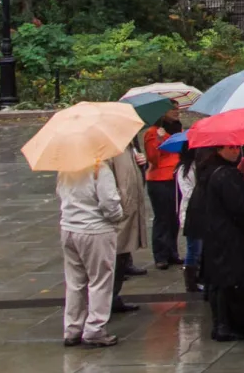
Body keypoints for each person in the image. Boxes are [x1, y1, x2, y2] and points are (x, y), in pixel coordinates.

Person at [186, 146, 244, 342]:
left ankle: (220, 324)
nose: (236, 151)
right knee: (228, 282)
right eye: (230, 147)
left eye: (236, 147)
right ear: (219, 149)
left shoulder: (208, 171)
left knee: (217, 282)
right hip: (228, 236)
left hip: (214, 234)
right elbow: (239, 209)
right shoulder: (226, 175)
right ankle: (225, 325)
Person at [57, 160, 124, 348]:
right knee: (100, 280)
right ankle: (95, 329)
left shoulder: (65, 167)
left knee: (74, 282)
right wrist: (118, 215)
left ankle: (72, 328)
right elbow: (109, 203)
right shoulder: (99, 169)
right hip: (95, 229)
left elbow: (60, 193)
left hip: (69, 227)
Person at [108, 144, 148, 314]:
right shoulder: (109, 150)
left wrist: (141, 163)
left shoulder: (128, 146)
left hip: (129, 209)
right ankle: (105, 303)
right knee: (113, 259)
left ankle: (113, 298)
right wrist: (118, 207)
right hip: (119, 213)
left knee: (122, 257)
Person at [142, 108, 183, 269]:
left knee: (174, 217)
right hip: (160, 179)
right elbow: (153, 158)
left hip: (175, 177)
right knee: (163, 217)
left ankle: (172, 252)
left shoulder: (178, 129)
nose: (176, 111)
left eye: (177, 108)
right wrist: (159, 140)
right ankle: (161, 255)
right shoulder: (153, 132)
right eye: (172, 108)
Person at [175, 146, 203, 294]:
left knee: (199, 247)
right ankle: (190, 282)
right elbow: (188, 192)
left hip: (201, 213)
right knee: (193, 248)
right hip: (191, 213)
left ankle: (198, 277)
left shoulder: (197, 166)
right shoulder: (184, 170)